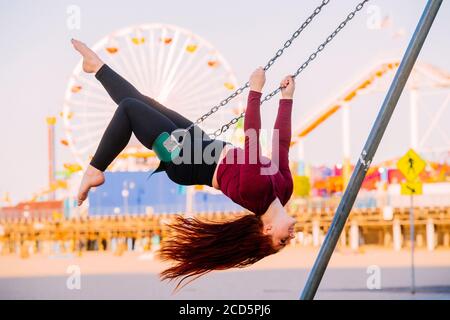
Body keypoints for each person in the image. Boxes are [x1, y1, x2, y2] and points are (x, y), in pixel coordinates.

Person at [71, 39, 297, 289]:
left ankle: (94, 170)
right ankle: (97, 67)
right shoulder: (284, 189)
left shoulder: (257, 193)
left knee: (130, 110)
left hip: (182, 159)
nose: (291, 237)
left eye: (282, 241)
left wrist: (255, 91)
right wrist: (286, 100)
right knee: (145, 103)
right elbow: (281, 145)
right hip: (201, 145)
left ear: (267, 229)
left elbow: (252, 138)